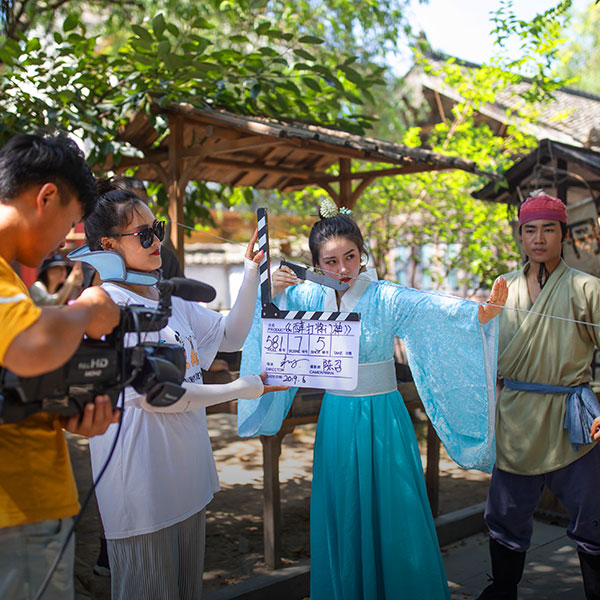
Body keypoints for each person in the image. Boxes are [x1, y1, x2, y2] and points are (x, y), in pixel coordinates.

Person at [238, 201, 507, 600]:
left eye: (350, 256)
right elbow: (264, 324)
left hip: (383, 413)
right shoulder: (306, 295)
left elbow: (428, 307)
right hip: (337, 418)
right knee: (342, 509)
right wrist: (265, 288)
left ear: (362, 254)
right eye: (331, 261)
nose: (343, 268)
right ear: (316, 264)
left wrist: (478, 313)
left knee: (395, 510)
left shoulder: (385, 296)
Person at [84, 180, 287, 600]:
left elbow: (230, 336)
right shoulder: (107, 306)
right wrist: (241, 389)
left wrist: (252, 271)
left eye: (155, 228)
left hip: (187, 477)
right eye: (143, 235)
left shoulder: (168, 297)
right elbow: (158, 396)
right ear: (107, 244)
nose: (156, 240)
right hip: (142, 486)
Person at [0, 133, 121, 600]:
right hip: (20, 509)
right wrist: (88, 308)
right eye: (69, 223)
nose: (63, 243)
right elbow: (29, 346)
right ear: (45, 196)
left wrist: (63, 411)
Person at [477, 192, 600, 600]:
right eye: (530, 230)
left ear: (563, 234)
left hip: (575, 418)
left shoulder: (587, 288)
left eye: (549, 229)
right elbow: (480, 345)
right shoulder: (503, 288)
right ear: (520, 236)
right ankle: (503, 590)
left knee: (594, 513)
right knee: (506, 513)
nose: (539, 238)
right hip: (516, 416)